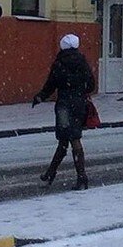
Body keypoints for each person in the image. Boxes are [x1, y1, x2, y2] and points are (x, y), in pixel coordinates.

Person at [32, 34, 95, 190]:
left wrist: (40, 96)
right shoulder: (82, 62)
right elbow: (91, 84)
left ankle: (58, 175)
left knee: (64, 139)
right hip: (79, 104)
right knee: (74, 137)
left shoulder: (59, 63)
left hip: (64, 106)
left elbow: (51, 84)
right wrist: (80, 92)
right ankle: (77, 177)